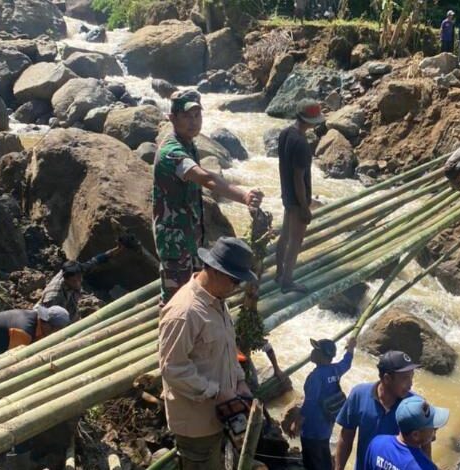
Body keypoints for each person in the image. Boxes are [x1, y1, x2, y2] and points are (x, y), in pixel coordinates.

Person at [153, 90, 263, 306]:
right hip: (175, 242)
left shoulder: (188, 144)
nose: (193, 122)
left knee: (192, 295)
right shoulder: (171, 152)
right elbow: (206, 178)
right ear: (172, 118)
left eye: (197, 115)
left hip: (190, 238)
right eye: (186, 116)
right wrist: (244, 196)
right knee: (174, 301)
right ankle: (169, 339)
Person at [158, 237, 257, 470]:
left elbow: (226, 349)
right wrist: (216, 392)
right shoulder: (185, 312)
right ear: (214, 270)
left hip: (219, 415)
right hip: (196, 423)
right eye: (234, 280)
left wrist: (240, 381)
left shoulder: (217, 301)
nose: (236, 288)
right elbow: (172, 368)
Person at [334, 350, 428, 470]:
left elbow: (425, 445)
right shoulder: (359, 395)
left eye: (411, 377)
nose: (410, 384)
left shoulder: (416, 405)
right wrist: (339, 468)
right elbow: (346, 436)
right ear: (387, 379)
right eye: (405, 379)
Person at [275, 99, 325, 294]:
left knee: (284, 236)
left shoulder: (285, 134)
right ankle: (287, 281)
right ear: (310, 122)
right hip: (297, 199)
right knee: (296, 240)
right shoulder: (302, 144)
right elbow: (299, 178)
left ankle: (279, 273)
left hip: (287, 195)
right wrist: (305, 207)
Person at [294, 337, 357, 470]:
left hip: (311, 429)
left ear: (323, 355)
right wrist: (350, 347)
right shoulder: (335, 370)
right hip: (326, 426)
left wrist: (298, 423)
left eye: (316, 350)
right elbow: (347, 362)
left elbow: (309, 405)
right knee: (323, 454)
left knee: (311, 462)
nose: (312, 352)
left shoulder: (315, 377)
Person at [0, 306, 70, 368]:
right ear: (48, 325)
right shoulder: (23, 331)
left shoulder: (37, 320)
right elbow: (12, 361)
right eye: (57, 330)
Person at [364, 396, 449, 470]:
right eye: (433, 428)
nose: (435, 431)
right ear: (415, 435)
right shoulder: (424, 466)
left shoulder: (377, 443)